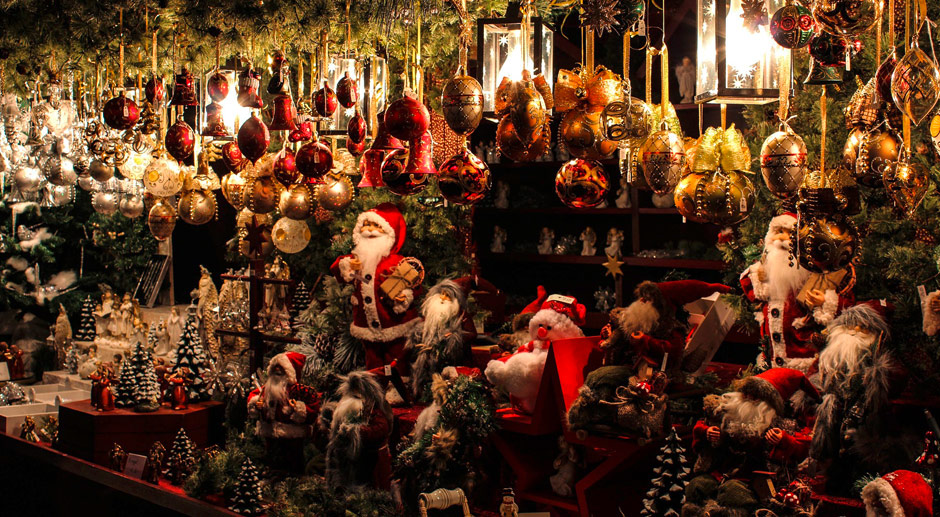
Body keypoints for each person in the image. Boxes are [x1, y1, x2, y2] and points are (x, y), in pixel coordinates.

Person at [330, 204, 423, 370]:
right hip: (365, 323)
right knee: (372, 358)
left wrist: (405, 296)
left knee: (397, 358)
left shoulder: (395, 262)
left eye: (376, 226)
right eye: (366, 225)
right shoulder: (356, 259)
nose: (369, 230)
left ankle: (398, 382)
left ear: (389, 234)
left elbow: (414, 286)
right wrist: (347, 266)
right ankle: (374, 381)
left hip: (393, 321)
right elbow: (339, 271)